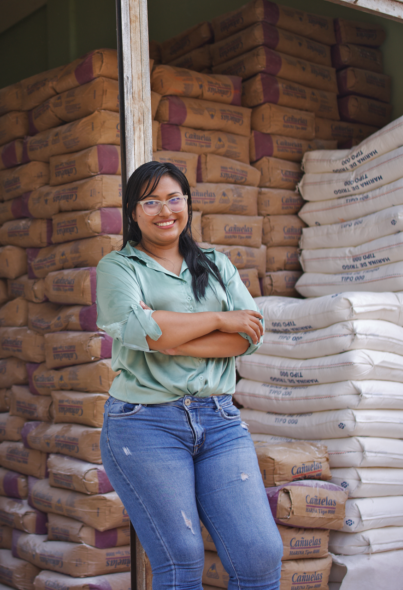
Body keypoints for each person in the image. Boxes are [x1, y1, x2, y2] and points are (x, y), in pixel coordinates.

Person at [96, 161, 282, 590]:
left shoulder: (216, 263)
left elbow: (248, 337)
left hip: (219, 421)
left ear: (187, 204)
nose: (165, 210)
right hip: (145, 424)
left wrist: (174, 337)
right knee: (180, 558)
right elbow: (143, 330)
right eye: (151, 201)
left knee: (259, 553)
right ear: (133, 212)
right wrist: (220, 317)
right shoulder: (118, 268)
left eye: (174, 198)